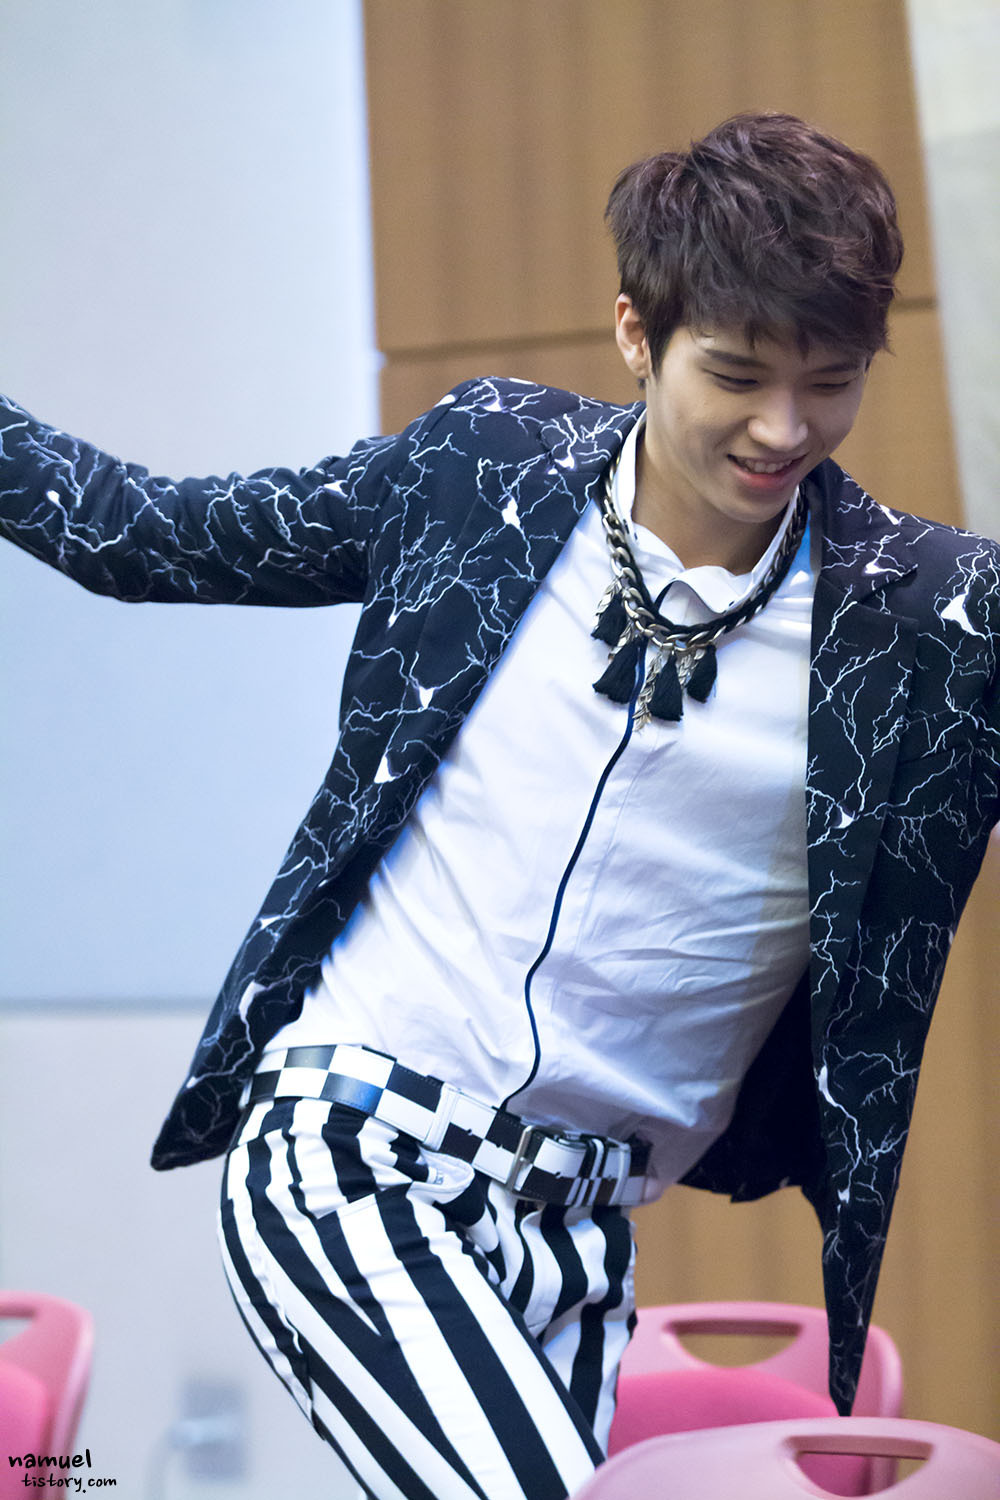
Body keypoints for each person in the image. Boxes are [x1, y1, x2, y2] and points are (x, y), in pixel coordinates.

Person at [1, 112, 997, 1500]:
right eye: (736, 375)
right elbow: (149, 536)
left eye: (830, 384)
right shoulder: (484, 472)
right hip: (351, 1154)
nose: (784, 429)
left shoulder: (935, 625)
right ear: (638, 332)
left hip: (580, 1235)